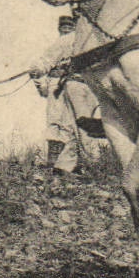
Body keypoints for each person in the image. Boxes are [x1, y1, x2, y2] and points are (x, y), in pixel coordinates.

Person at [32, 15, 103, 173]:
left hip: (77, 85)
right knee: (73, 123)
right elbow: (45, 63)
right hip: (77, 86)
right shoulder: (93, 39)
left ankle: (69, 164)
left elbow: (42, 63)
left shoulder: (74, 39)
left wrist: (36, 71)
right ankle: (73, 163)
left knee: (70, 123)